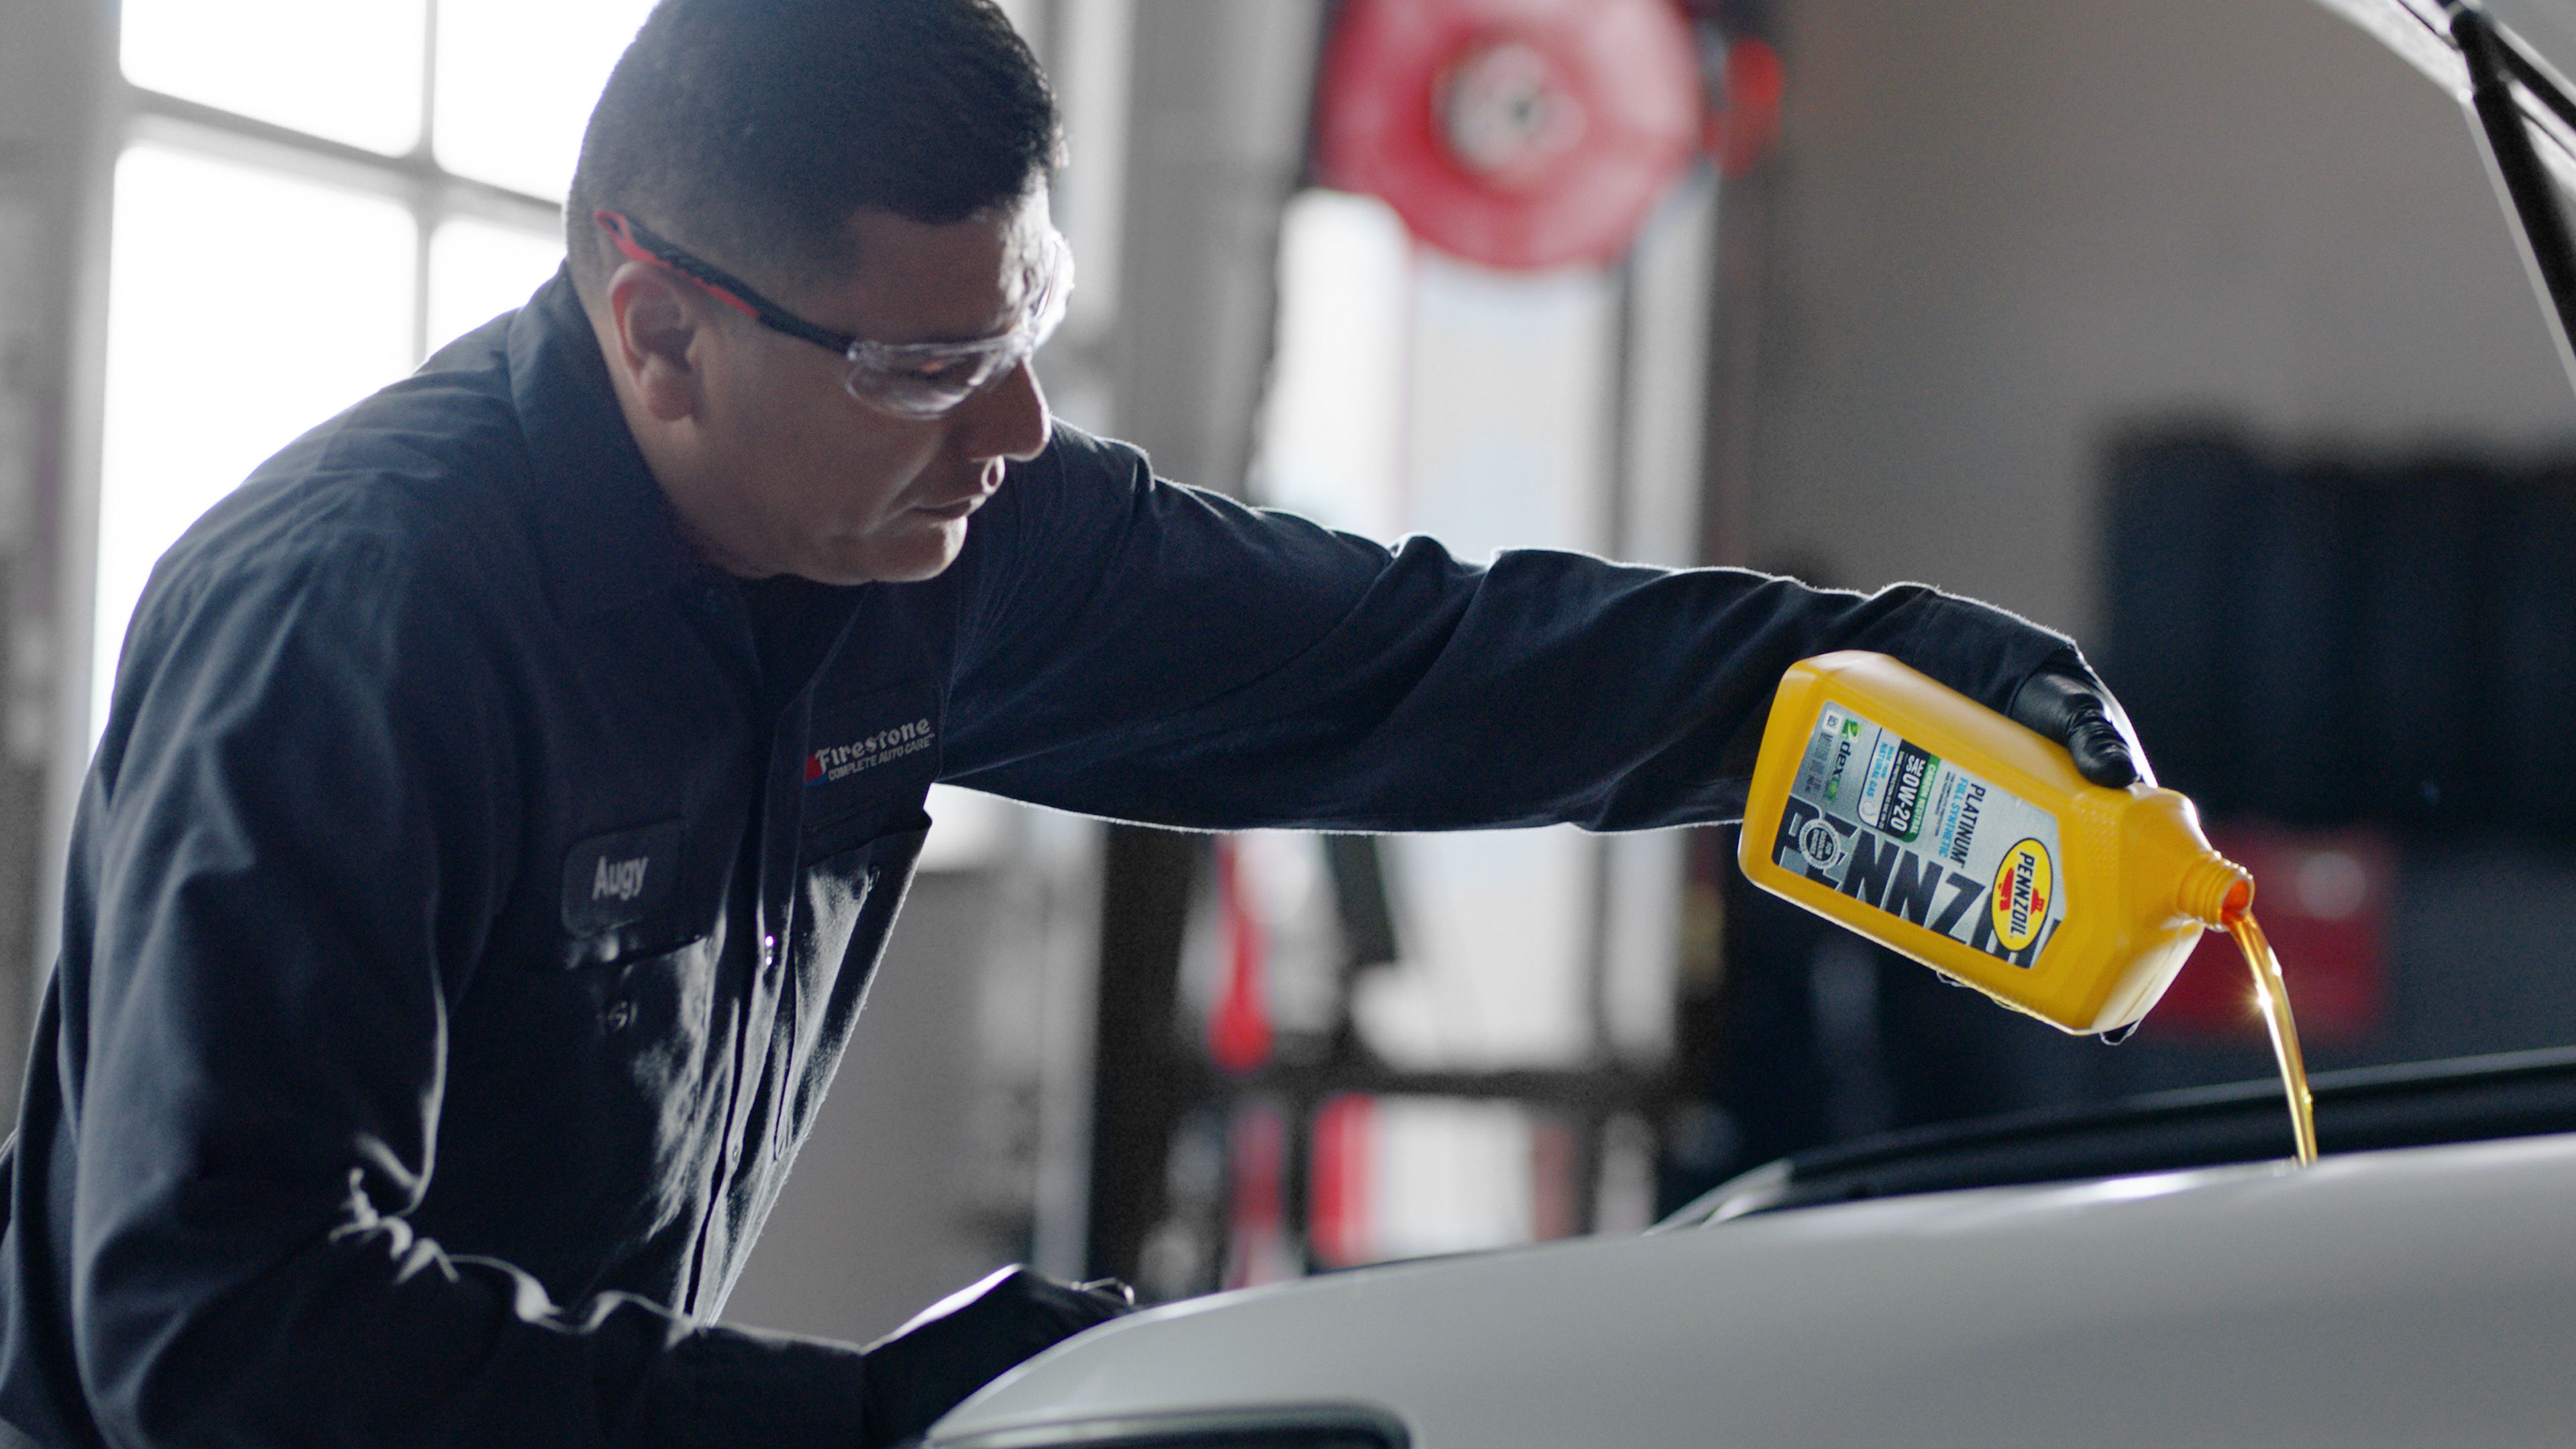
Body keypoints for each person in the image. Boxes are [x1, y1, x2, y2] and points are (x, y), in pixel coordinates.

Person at [0, 1, 2150, 1445]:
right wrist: (887, 1422)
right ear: (661, 331)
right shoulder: (352, 628)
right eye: (933, 367)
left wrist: (1853, 670)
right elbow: (224, 1333)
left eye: (1020, 328)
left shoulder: (950, 532)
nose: (1019, 427)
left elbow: (1412, 664)